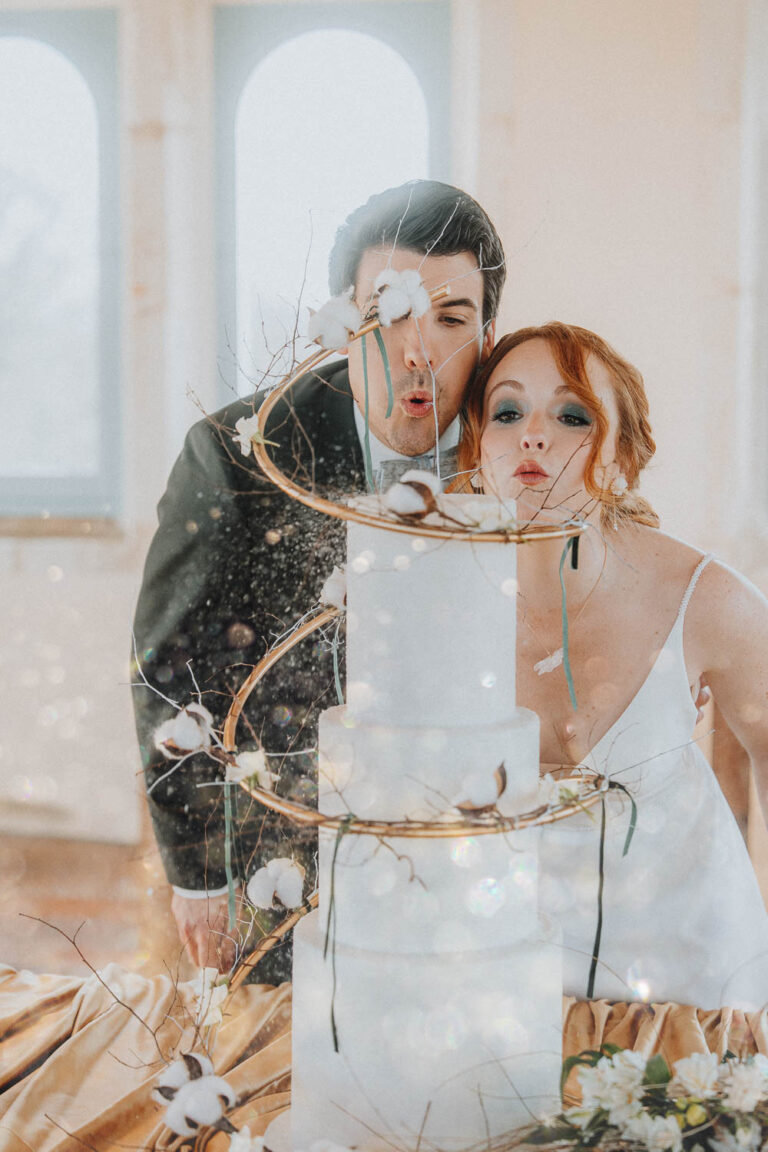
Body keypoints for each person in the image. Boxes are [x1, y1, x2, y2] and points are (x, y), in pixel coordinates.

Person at [132, 180, 503, 978]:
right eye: (391, 311)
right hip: (289, 848)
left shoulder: (516, 447)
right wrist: (204, 875)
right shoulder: (237, 455)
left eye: (451, 319)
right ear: (345, 322)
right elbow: (169, 668)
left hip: (470, 844)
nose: (419, 350)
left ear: (490, 330)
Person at [455, 322, 768, 1009]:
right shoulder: (438, 607)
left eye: (572, 416)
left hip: (698, 998)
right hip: (509, 1006)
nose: (532, 435)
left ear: (623, 461)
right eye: (507, 413)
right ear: (478, 452)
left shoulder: (703, 597)